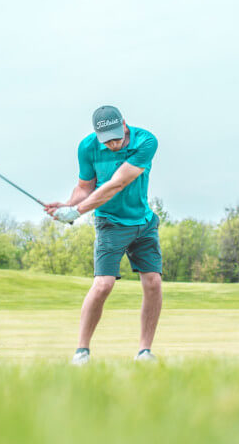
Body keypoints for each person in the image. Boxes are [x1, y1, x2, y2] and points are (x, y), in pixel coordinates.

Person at [45, 105, 162, 365]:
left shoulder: (146, 142)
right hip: (110, 223)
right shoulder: (87, 148)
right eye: (106, 139)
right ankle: (81, 351)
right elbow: (84, 187)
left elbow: (117, 183)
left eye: (116, 137)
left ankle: (144, 352)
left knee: (153, 281)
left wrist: (77, 211)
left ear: (124, 124)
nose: (112, 143)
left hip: (143, 222)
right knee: (103, 285)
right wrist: (67, 206)